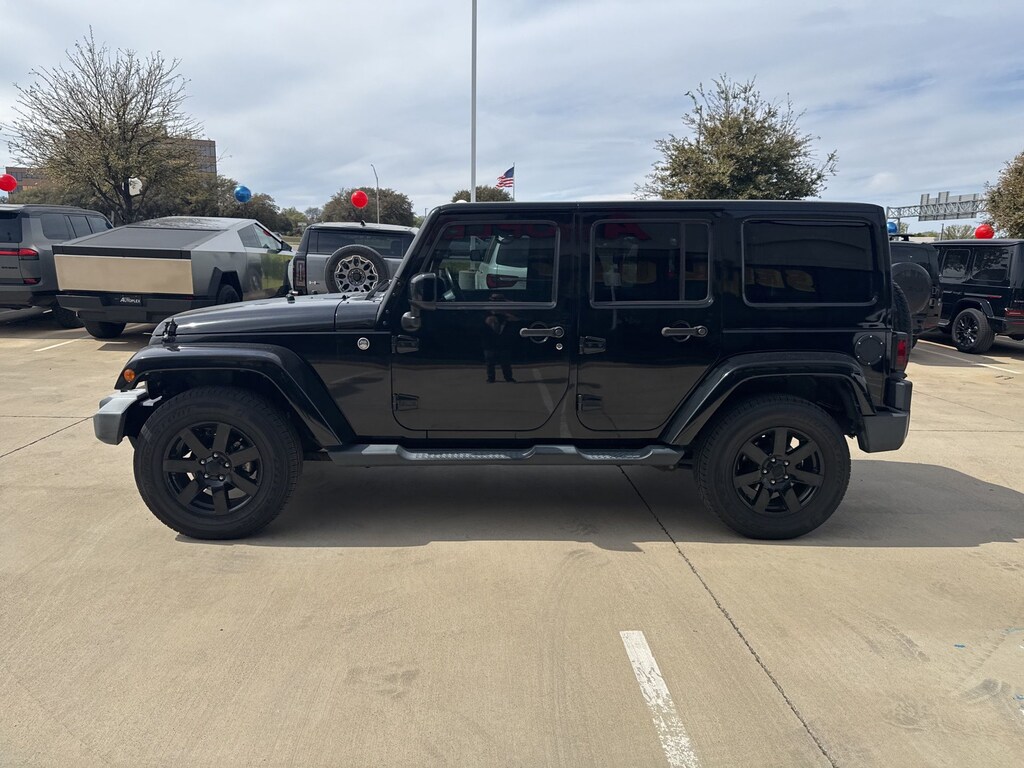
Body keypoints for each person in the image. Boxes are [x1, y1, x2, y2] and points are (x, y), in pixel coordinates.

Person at [482, 293, 516, 382]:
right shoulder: (485, 313)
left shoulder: (508, 314)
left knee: (505, 362)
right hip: (489, 343)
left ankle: (508, 377)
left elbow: (516, 321)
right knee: (490, 361)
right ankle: (491, 377)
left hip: (503, 343)